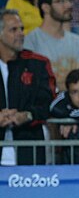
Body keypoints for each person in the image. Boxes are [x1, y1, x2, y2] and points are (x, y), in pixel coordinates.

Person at [0, 10, 55, 166]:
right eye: (13, 30)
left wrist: (28, 115)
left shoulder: (38, 64)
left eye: (22, 29)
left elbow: (49, 103)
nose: (21, 34)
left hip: (30, 148)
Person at [24, 0, 79, 86]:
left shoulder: (78, 42)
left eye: (69, 0)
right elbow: (34, 83)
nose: (69, 5)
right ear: (46, 8)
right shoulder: (30, 41)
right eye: (61, 1)